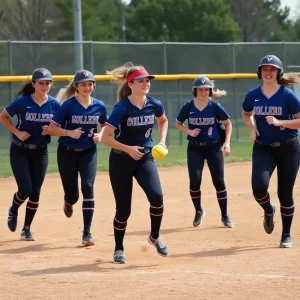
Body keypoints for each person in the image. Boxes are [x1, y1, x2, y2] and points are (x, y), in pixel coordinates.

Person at [101, 62, 169, 264]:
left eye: (147, 80)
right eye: (141, 81)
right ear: (130, 84)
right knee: (123, 209)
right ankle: (119, 249)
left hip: (144, 157)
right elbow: (105, 137)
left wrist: (162, 141)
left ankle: (154, 236)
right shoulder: (122, 107)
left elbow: (163, 121)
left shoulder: (154, 103)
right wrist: (128, 149)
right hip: (121, 160)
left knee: (156, 197)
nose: (146, 83)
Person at [242, 54, 300, 248]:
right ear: (260, 72)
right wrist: (252, 129)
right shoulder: (253, 95)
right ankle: (268, 209)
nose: (268, 72)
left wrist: (279, 122)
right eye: (265, 69)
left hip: (288, 148)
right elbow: (245, 113)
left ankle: (285, 235)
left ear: (278, 73)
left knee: (285, 193)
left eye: (272, 69)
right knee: (258, 187)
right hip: (263, 148)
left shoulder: (287, 95)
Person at [48, 70, 108, 247]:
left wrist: (101, 134)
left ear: (94, 86)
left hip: (88, 151)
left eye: (90, 84)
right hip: (67, 152)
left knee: (88, 186)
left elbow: (106, 125)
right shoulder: (68, 105)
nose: (87, 87)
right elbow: (52, 128)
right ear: (76, 87)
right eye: (83, 84)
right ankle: (68, 201)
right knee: (73, 195)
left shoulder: (99, 106)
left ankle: (87, 233)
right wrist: (69, 132)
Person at [0, 68, 60, 241]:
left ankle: (26, 229)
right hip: (20, 150)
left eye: (47, 83)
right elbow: (3, 116)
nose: (45, 86)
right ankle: (13, 209)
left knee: (35, 192)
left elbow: (61, 125)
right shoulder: (23, 102)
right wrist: (17, 132)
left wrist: (53, 130)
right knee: (25, 189)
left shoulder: (55, 104)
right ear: (33, 84)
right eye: (41, 83)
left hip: (41, 152)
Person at [175, 76, 234, 229]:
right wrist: (189, 131)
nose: (203, 92)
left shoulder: (215, 107)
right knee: (195, 181)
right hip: (195, 148)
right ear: (195, 91)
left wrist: (226, 142)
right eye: (201, 89)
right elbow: (178, 124)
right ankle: (198, 211)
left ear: (210, 91)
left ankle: (225, 216)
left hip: (213, 147)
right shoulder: (188, 107)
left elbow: (228, 124)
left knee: (219, 182)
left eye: (206, 89)